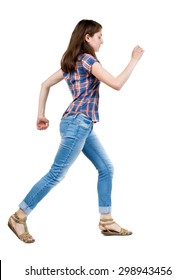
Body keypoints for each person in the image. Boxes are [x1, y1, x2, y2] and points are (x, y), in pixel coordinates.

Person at [8, 19, 144, 243]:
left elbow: (44, 84)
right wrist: (134, 60)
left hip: (81, 123)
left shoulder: (71, 62)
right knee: (56, 174)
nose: (103, 41)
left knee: (106, 168)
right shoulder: (89, 60)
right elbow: (117, 84)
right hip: (78, 123)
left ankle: (106, 220)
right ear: (87, 38)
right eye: (99, 36)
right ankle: (19, 216)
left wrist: (40, 114)